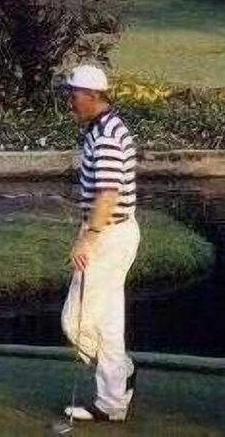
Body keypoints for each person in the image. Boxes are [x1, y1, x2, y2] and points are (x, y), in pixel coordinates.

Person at [59, 64, 139, 424]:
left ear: (92, 96)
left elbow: (108, 194)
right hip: (112, 232)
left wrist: (88, 239)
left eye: (74, 95)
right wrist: (84, 232)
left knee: (76, 323)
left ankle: (120, 374)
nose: (70, 102)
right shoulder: (103, 128)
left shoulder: (106, 135)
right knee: (106, 323)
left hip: (109, 235)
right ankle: (112, 401)